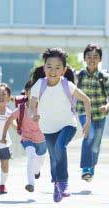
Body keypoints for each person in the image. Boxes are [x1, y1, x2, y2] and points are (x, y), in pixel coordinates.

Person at [28, 47, 91, 203]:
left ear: (63, 70)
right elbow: (31, 106)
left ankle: (63, 183)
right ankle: (56, 183)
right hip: (47, 128)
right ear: (44, 68)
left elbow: (86, 100)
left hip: (68, 125)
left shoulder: (66, 85)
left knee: (59, 148)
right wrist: (32, 115)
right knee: (54, 157)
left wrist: (88, 121)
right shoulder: (39, 85)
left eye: (57, 68)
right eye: (49, 67)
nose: (53, 71)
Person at [76, 44, 109, 182]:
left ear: (100, 59)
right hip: (84, 113)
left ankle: (91, 169)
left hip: (100, 116)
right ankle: (86, 168)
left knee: (95, 145)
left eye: (95, 57)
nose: (92, 59)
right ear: (84, 59)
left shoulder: (104, 77)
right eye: (89, 57)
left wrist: (107, 106)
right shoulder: (79, 76)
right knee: (89, 136)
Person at [0, 80, 46, 193]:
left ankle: (36, 172)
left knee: (39, 162)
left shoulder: (44, 107)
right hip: (27, 139)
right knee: (31, 156)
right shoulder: (21, 108)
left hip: (42, 140)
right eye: (32, 91)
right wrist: (4, 136)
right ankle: (31, 184)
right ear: (26, 92)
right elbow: (9, 119)